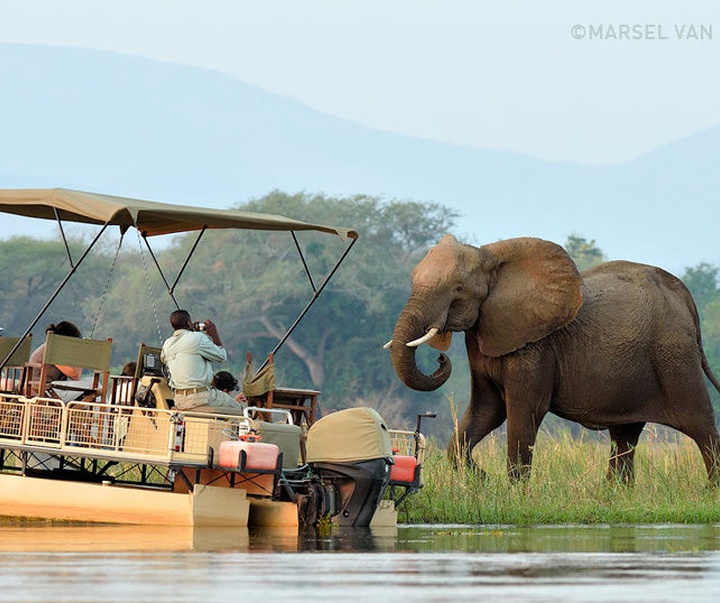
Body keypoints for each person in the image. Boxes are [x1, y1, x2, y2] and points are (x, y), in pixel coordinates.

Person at [161, 309, 246, 414]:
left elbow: (165, 358)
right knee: (240, 411)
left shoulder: (167, 344)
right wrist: (213, 333)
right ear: (188, 323)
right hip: (200, 398)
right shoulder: (197, 338)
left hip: (179, 400)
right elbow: (221, 356)